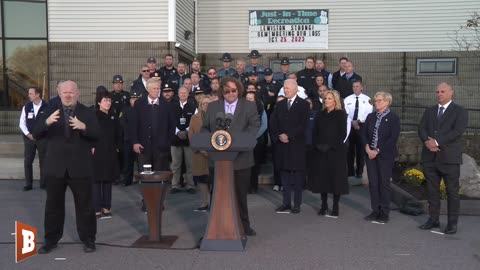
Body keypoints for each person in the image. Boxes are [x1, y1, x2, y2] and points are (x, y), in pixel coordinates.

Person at [33, 80, 100, 254]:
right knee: (53, 206)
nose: (68, 95)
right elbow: (35, 132)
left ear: (77, 94)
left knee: (85, 206)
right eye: (65, 92)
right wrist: (47, 122)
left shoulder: (87, 112)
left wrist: (83, 126)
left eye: (71, 92)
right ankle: (51, 240)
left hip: (80, 167)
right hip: (55, 168)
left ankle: (89, 240)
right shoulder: (49, 111)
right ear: (59, 94)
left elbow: (97, 134)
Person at [201, 76, 260, 236]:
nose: (231, 93)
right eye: (227, 91)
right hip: (218, 161)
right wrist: (210, 141)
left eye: (234, 90)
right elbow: (205, 128)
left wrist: (239, 142)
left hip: (241, 160)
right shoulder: (213, 107)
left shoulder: (248, 106)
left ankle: (244, 225)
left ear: (239, 90)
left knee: (240, 195)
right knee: (217, 195)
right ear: (222, 91)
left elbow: (254, 127)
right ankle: (215, 226)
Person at [418, 82, 468, 234]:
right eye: (437, 91)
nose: (439, 94)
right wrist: (428, 142)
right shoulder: (430, 110)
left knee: (452, 192)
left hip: (449, 159)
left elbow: (457, 131)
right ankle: (433, 220)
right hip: (430, 157)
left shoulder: (460, 111)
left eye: (443, 91)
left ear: (451, 92)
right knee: (432, 191)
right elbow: (421, 128)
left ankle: (452, 224)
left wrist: (437, 141)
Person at [270, 79, 309, 214]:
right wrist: (279, 135)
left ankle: (297, 204)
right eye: (284, 88)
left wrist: (289, 135)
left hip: (296, 145)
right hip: (282, 146)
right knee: (284, 176)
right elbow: (273, 122)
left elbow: (303, 125)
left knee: (298, 176)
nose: (285, 90)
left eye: (288, 88)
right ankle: (286, 203)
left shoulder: (303, 105)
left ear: (295, 89)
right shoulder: (280, 105)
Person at [309, 90, 348, 218]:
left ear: (335, 101)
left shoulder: (341, 114)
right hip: (320, 151)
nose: (326, 100)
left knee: (335, 179)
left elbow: (342, 134)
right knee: (322, 179)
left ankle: (335, 206)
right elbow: (315, 132)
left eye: (329, 98)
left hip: (335, 151)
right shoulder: (320, 114)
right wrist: (318, 145)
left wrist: (330, 145)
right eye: (325, 98)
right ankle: (324, 205)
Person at [362, 92, 400, 223]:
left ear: (386, 102)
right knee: (373, 183)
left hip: (385, 155)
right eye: (375, 100)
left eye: (379, 100)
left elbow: (392, 138)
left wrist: (377, 150)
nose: (376, 102)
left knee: (384, 183)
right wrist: (367, 148)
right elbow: (364, 134)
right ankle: (375, 210)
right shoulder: (370, 117)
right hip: (370, 154)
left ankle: (384, 212)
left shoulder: (393, 118)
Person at [130, 78, 176, 171]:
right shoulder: (139, 104)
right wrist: (135, 142)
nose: (156, 91)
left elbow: (172, 126)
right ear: (147, 89)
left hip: (161, 149)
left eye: (158, 88)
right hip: (143, 147)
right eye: (154, 88)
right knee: (145, 176)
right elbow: (134, 124)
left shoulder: (166, 105)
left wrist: (167, 142)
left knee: (160, 177)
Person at [92, 87, 120, 218]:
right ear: (99, 102)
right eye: (105, 100)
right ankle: (97, 208)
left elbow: (117, 133)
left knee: (108, 179)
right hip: (97, 151)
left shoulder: (113, 115)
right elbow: (89, 133)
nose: (108, 103)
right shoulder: (94, 115)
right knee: (97, 180)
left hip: (110, 152)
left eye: (109, 100)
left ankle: (106, 207)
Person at [19, 87, 48, 191]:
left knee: (44, 161)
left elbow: (49, 122)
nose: (28, 95)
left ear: (37, 95)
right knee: (28, 161)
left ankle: (44, 183)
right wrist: (28, 134)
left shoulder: (47, 106)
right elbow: (22, 123)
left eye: (31, 93)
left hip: (42, 138)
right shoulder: (26, 107)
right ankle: (28, 183)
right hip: (29, 138)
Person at [170, 86, 197, 194]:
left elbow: (194, 121)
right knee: (176, 164)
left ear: (188, 94)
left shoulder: (193, 106)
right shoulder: (172, 107)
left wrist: (186, 131)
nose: (183, 94)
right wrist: (177, 132)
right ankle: (175, 185)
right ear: (178, 94)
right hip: (175, 140)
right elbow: (170, 121)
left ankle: (190, 185)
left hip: (188, 139)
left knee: (190, 164)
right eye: (181, 93)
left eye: (185, 93)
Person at [344, 80, 373, 178]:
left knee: (361, 149)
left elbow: (369, 113)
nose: (355, 88)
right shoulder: (347, 99)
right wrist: (352, 122)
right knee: (350, 150)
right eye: (354, 86)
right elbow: (345, 112)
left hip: (362, 126)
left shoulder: (367, 99)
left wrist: (358, 121)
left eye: (357, 86)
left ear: (361, 87)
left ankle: (359, 171)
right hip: (350, 126)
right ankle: (350, 171)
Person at [189, 96, 212, 212]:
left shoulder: (217, 117)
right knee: (201, 179)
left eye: (208, 103)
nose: (206, 105)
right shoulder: (194, 118)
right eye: (204, 103)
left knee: (212, 179)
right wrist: (200, 149)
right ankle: (204, 202)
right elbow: (191, 135)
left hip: (213, 154)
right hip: (199, 154)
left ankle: (213, 202)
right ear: (200, 105)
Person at [245, 91, 268, 194]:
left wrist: (253, 137)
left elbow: (264, 126)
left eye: (250, 99)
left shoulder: (261, 110)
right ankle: (245, 186)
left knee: (255, 165)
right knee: (245, 165)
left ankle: (253, 186)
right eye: (247, 98)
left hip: (257, 141)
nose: (248, 100)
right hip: (244, 141)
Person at [119, 88, 142, 186]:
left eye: (137, 98)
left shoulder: (143, 110)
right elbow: (123, 124)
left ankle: (142, 179)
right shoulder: (125, 110)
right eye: (133, 98)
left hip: (140, 140)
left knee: (141, 162)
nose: (135, 100)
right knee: (128, 161)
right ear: (130, 100)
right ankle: (127, 180)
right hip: (128, 140)